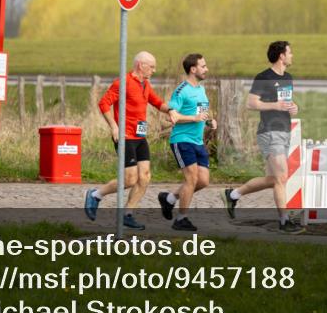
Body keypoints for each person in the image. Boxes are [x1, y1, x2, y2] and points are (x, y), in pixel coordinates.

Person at [221, 40, 304, 234]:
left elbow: (286, 102)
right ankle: (284, 221)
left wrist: (293, 108)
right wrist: (275, 105)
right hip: (269, 132)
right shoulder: (263, 77)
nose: (292, 56)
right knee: (281, 177)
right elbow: (251, 103)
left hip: (285, 130)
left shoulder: (288, 77)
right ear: (281, 56)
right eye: (290, 52)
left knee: (273, 179)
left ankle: (233, 194)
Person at [84, 51, 169, 230]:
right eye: (151, 67)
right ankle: (95, 195)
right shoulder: (123, 82)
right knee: (130, 179)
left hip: (140, 137)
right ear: (140, 65)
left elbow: (158, 103)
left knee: (145, 177)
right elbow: (104, 103)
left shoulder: (145, 84)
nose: (154, 70)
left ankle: (127, 214)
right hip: (124, 137)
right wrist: (114, 126)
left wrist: (173, 110)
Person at [158, 54, 217, 232]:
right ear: (193, 69)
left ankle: (169, 199)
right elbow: (173, 116)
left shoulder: (200, 89)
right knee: (191, 179)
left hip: (197, 142)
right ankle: (181, 219)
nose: (206, 69)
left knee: (203, 181)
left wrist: (209, 121)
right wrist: (194, 118)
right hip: (182, 140)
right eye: (203, 66)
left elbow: (202, 113)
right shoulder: (181, 90)